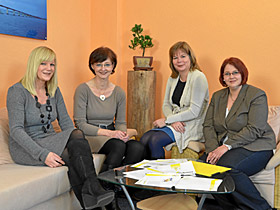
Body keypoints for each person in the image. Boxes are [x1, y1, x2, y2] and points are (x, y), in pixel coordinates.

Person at [7, 46, 114, 210]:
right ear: (34, 64)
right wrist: (43, 155)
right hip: (26, 148)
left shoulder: (54, 90)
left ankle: (92, 202)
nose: (49, 68)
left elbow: (66, 124)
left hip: (51, 140)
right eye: (44, 63)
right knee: (74, 151)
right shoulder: (17, 91)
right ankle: (94, 193)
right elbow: (16, 130)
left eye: (52, 64)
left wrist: (73, 143)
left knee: (74, 146)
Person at [202, 57, 276, 210]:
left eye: (235, 72)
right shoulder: (218, 96)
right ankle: (231, 207)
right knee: (203, 166)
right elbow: (208, 125)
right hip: (227, 147)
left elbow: (255, 128)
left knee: (227, 167)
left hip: (256, 145)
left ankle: (262, 208)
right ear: (222, 77)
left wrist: (226, 147)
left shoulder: (256, 95)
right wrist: (212, 149)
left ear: (243, 74)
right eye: (227, 74)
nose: (231, 77)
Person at [73, 47, 144, 174]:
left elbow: (121, 122)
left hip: (112, 134)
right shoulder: (83, 90)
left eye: (107, 64)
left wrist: (122, 134)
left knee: (137, 147)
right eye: (98, 64)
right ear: (92, 66)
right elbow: (80, 125)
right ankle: (104, 185)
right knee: (118, 145)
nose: (103, 68)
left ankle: (123, 188)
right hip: (91, 135)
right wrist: (110, 134)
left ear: (113, 66)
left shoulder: (119, 92)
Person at [140, 41, 209, 160]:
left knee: (154, 141)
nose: (179, 60)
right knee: (145, 138)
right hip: (175, 123)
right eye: (175, 57)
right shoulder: (173, 78)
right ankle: (149, 174)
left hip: (191, 125)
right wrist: (172, 121)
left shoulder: (198, 77)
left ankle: (161, 175)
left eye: (183, 56)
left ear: (190, 58)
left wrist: (168, 120)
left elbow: (194, 112)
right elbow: (166, 105)